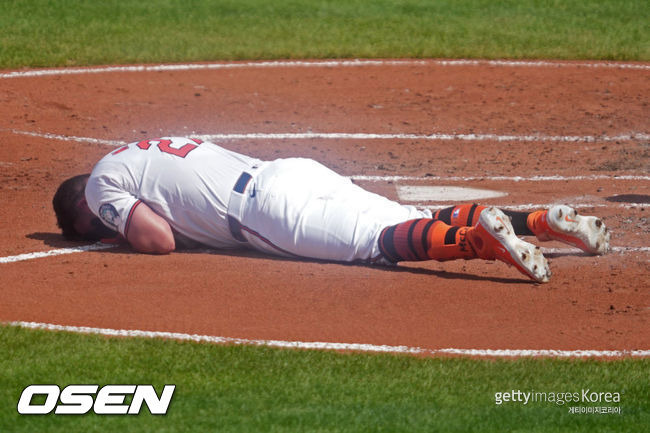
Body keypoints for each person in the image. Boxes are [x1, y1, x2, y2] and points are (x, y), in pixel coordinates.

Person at [53, 137, 610, 283]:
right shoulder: (136, 153)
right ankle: (540, 222)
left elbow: (158, 240)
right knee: (393, 216)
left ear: (86, 204)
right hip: (291, 171)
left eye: (94, 225)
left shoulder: (103, 185)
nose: (103, 227)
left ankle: (478, 244)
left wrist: (122, 231)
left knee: (378, 244)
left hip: (264, 213)